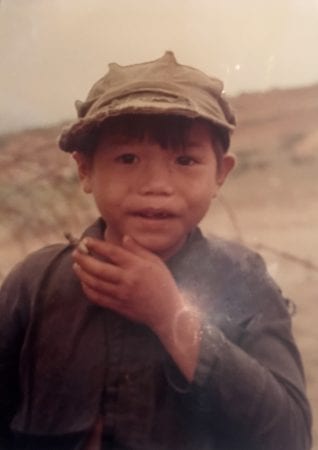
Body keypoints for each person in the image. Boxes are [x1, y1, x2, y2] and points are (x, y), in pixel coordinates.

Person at [0, 51, 312, 450]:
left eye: (185, 160)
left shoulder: (243, 281)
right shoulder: (36, 282)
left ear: (221, 173)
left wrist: (170, 317)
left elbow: (289, 437)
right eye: (127, 158)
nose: (156, 184)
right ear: (85, 170)